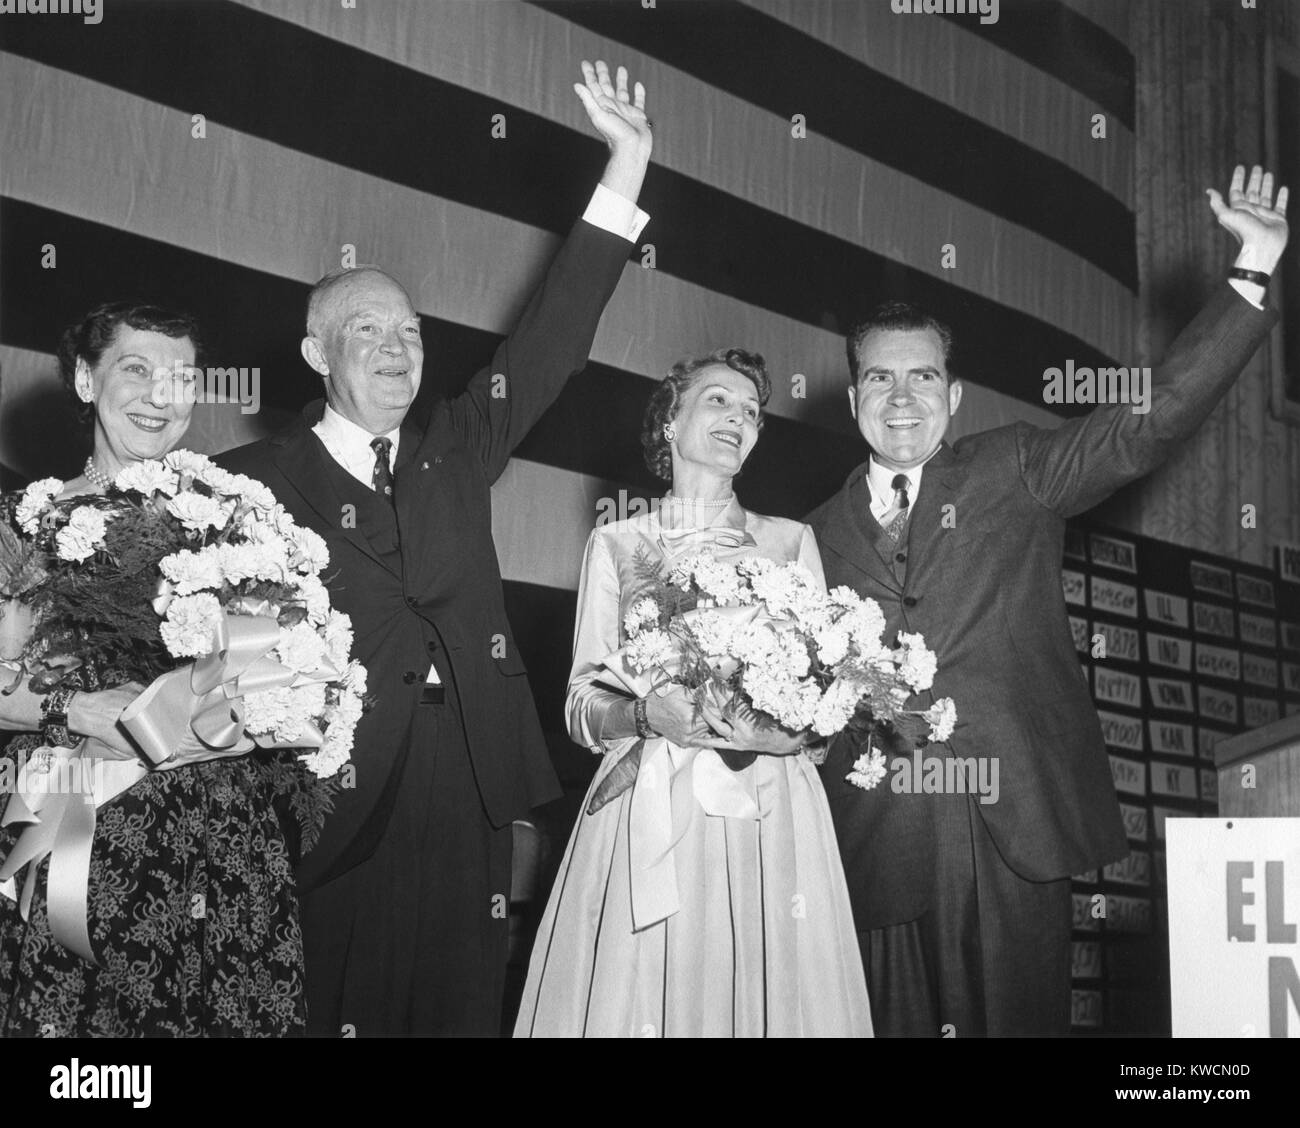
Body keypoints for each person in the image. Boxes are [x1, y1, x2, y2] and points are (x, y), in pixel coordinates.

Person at [216, 60, 652, 1037]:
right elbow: (244, 674)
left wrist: (625, 168)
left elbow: (552, 339)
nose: (396, 343)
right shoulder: (247, 481)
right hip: (332, 810)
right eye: (365, 326)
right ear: (314, 353)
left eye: (410, 328)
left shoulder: (459, 440)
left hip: (471, 803)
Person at [805, 165, 1289, 1037]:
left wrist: (1251, 269)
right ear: (853, 400)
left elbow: (1149, 420)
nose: (902, 397)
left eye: (923, 378)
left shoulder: (1015, 467)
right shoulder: (808, 537)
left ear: (954, 398)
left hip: (1012, 829)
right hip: (877, 841)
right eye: (880, 379)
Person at [514, 348, 873, 1038]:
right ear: (670, 425)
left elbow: (826, 710)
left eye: (752, 412)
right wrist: (646, 712)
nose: (739, 418)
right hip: (653, 796)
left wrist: (786, 735)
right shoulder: (617, 543)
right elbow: (580, 705)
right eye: (718, 401)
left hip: (768, 806)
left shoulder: (792, 541)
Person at [0, 301, 305, 1037]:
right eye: (135, 370)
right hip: (87, 828)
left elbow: (278, 677)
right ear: (83, 380)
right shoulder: (26, 524)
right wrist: (80, 710)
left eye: (181, 378)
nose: (160, 396)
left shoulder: (239, 524)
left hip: (228, 842)